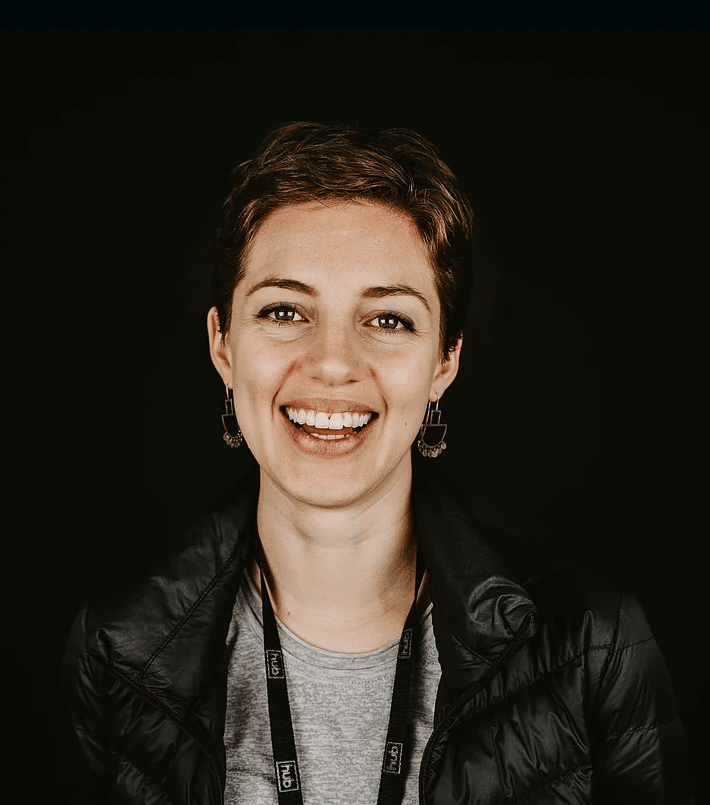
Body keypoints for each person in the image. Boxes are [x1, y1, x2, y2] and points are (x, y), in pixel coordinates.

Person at [61, 122, 695, 804]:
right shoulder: (115, 652)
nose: (332, 363)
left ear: (444, 361)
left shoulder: (593, 644)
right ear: (223, 344)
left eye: (389, 319)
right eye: (283, 310)